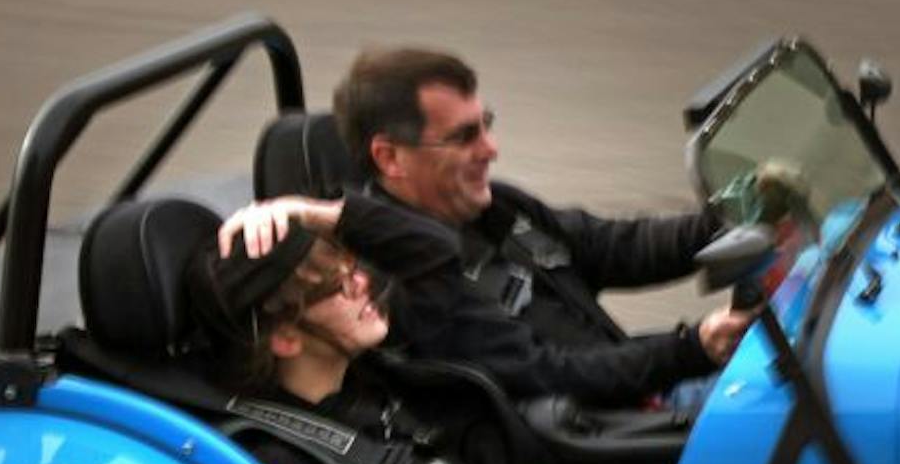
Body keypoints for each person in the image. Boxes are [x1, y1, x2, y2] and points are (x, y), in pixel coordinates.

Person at [275, 46, 752, 408]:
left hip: (637, 389)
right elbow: (548, 376)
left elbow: (609, 246)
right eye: (465, 137)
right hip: (604, 439)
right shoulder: (403, 283)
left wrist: (734, 217)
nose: (491, 148)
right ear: (390, 157)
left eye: (485, 125)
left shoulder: (491, 206)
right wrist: (692, 349)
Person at [187, 208, 595, 464]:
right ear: (286, 337)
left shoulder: (379, 363)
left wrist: (316, 212)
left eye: (350, 265)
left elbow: (437, 253)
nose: (362, 283)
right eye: (335, 285)